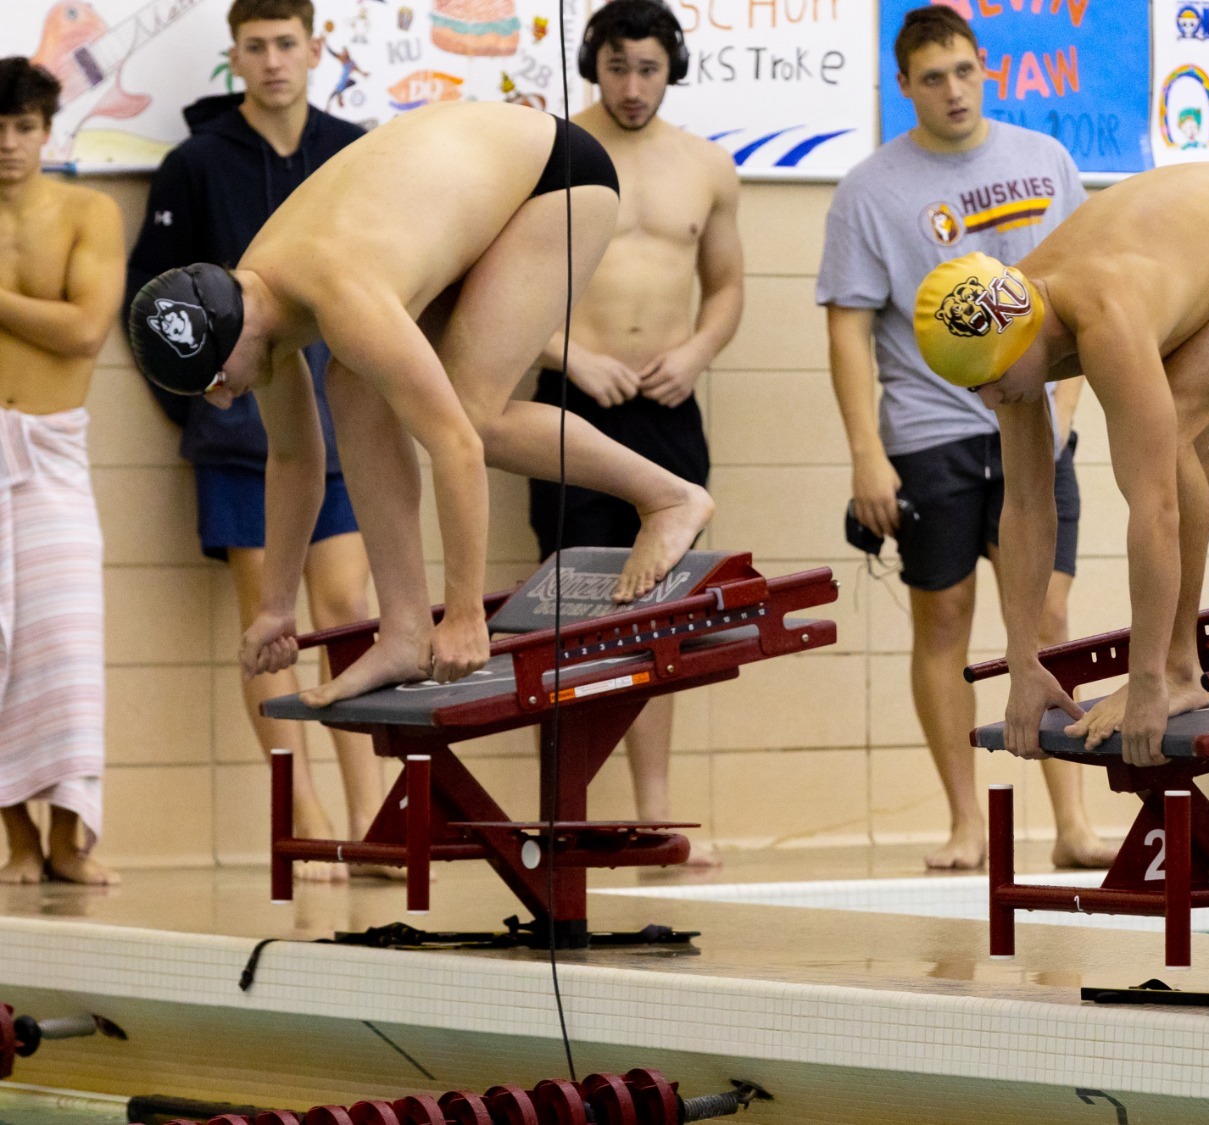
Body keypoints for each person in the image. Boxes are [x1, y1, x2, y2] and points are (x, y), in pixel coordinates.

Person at [126, 100, 713, 709]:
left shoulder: (341, 296)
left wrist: (464, 615)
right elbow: (296, 460)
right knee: (353, 385)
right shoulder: (256, 302)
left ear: (232, 334)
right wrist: (275, 607)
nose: (223, 401)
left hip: (554, 177)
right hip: (479, 184)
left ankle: (669, 497)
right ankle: (404, 631)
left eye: (216, 380)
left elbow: (456, 447)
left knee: (473, 417)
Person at [916, 164, 1209, 771]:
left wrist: (1148, 679)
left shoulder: (1104, 314)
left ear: (1025, 340)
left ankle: (1178, 668)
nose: (988, 400)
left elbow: (1156, 508)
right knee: (1170, 453)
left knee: (1169, 446)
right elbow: (1028, 505)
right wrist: (1023, 661)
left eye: (990, 381)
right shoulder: (1007, 317)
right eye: (972, 388)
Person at [818, 6, 1111, 869]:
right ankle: (964, 823)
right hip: (930, 428)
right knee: (943, 618)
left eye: (964, 72)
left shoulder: (1044, 159)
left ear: (985, 68)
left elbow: (1087, 288)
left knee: (1047, 615)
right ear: (903, 86)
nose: (953, 91)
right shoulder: (869, 190)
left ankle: (1072, 822)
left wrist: (1069, 406)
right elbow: (847, 328)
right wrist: (866, 453)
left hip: (1038, 420)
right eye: (932, 78)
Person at [125, 0, 382, 883]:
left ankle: (371, 812)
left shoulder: (352, 151)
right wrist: (203, 410)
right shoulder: (196, 163)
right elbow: (151, 307)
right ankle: (302, 816)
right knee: (268, 623)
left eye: (286, 44)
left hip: (342, 417)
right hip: (241, 431)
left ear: (315, 48)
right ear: (233, 57)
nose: (273, 60)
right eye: (255, 47)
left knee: (348, 606)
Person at [533, 0, 741, 864]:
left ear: (672, 69)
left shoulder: (707, 166)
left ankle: (655, 815)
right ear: (594, 64)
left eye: (648, 69)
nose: (631, 86)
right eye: (617, 67)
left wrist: (695, 352)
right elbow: (488, 289)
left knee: (661, 612)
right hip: (570, 399)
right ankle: (566, 814)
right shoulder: (549, 152)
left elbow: (726, 289)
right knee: (569, 613)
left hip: (666, 406)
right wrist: (570, 356)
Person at [0, 59, 124, 885]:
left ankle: (71, 837)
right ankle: (17, 840)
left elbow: (84, 330)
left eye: (22, 127)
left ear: (48, 131)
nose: (7, 144)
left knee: (68, 643)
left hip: (52, 449)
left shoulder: (89, 211)